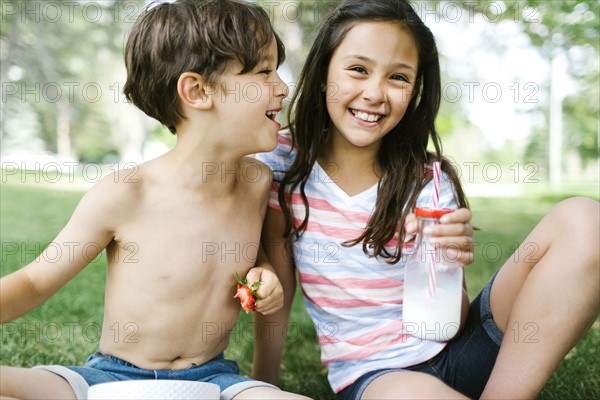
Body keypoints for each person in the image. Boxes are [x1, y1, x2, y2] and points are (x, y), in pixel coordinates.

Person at [252, 0, 600, 399]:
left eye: (398, 77)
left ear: (416, 90)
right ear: (322, 74)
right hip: (377, 374)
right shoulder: (285, 161)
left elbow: (447, 323)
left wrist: (446, 263)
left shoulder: (428, 179)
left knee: (585, 219)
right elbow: (278, 286)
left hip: (463, 349)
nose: (374, 93)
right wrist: (264, 381)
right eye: (358, 70)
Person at [0, 1, 310, 399]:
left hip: (213, 381)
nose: (282, 87)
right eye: (265, 72)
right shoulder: (125, 193)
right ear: (197, 91)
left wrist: (264, 273)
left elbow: (252, 258)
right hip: (109, 379)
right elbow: (34, 281)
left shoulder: (256, 182)